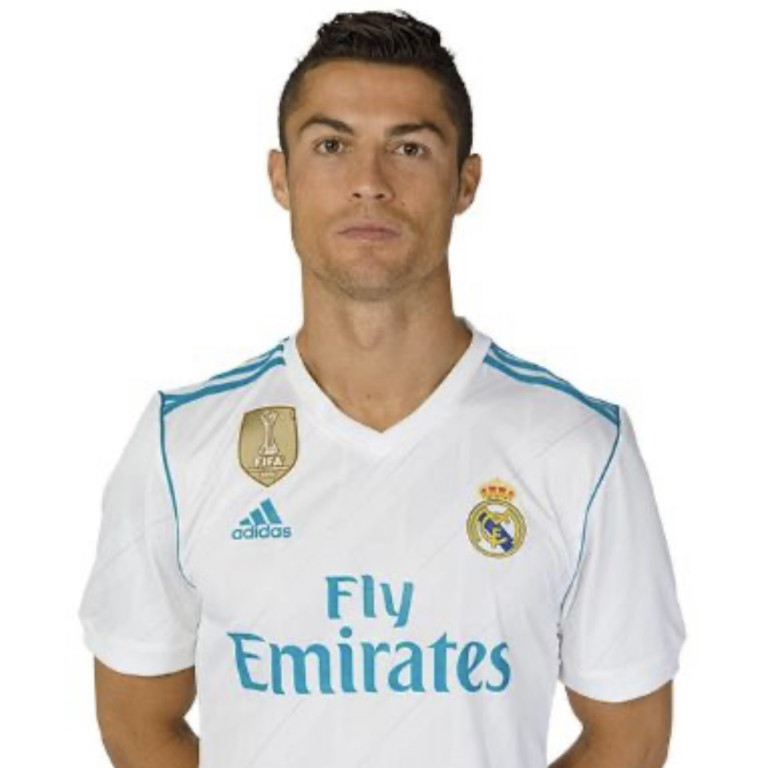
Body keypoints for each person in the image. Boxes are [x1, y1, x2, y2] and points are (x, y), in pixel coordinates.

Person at [78, 10, 687, 768]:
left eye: (410, 147)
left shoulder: (578, 446)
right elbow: (138, 719)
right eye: (332, 145)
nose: (370, 183)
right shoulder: (183, 442)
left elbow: (631, 737)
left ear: (465, 182)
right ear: (281, 177)